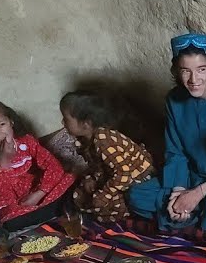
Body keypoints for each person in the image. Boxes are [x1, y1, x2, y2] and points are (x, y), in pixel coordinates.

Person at [127, 33, 206, 231]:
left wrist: (199, 192)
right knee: (136, 196)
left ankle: (190, 210)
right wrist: (179, 191)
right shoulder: (174, 100)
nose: (194, 79)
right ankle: (191, 210)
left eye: (201, 69)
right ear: (176, 71)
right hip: (191, 177)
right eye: (185, 71)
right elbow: (175, 152)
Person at [0, 92, 74, 229]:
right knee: (8, 221)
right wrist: (3, 162)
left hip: (32, 189)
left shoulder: (26, 141)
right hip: (4, 199)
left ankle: (47, 208)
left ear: (11, 122)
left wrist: (40, 192)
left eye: (2, 124)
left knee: (71, 181)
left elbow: (53, 166)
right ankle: (45, 211)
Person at [59, 91, 154, 222]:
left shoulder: (104, 140)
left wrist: (104, 195)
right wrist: (92, 178)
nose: (62, 122)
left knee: (106, 205)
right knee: (80, 193)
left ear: (85, 124)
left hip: (135, 176)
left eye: (66, 119)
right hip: (114, 175)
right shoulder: (84, 139)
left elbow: (124, 173)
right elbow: (98, 165)